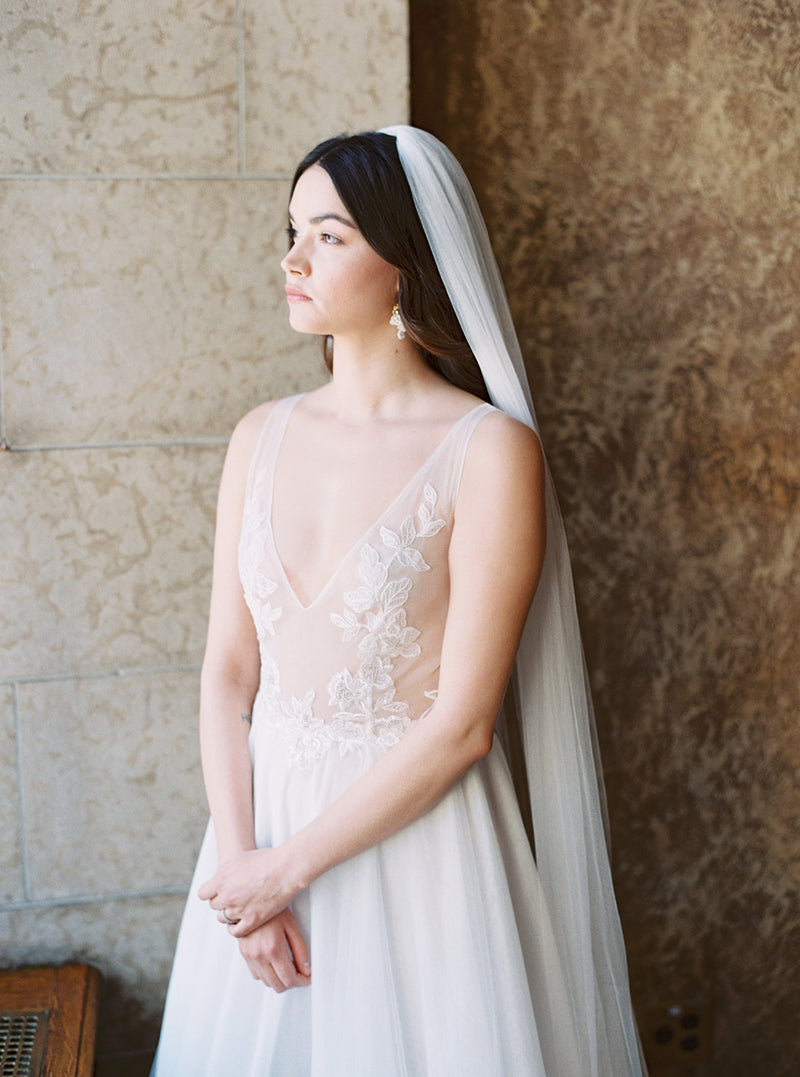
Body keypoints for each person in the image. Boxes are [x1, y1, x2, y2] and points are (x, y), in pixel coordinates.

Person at [151, 126, 646, 1076]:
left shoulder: (490, 450)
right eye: (292, 230)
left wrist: (283, 872)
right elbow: (227, 670)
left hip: (417, 850)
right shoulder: (257, 435)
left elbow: (464, 724)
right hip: (253, 842)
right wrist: (242, 876)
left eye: (328, 237)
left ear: (406, 263)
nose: (291, 260)